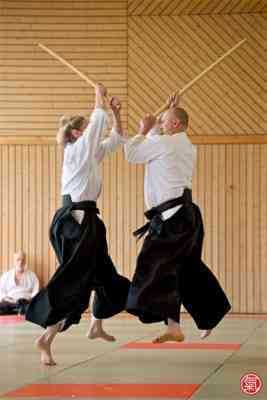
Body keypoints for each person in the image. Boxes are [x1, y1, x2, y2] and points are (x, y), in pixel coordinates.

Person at [26, 84, 130, 365]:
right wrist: (98, 98)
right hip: (74, 221)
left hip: (88, 220)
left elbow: (116, 140)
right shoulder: (76, 150)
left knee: (104, 274)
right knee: (73, 281)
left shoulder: (90, 153)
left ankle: (96, 325)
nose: (90, 133)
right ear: (75, 133)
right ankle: (46, 337)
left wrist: (116, 113)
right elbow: (97, 126)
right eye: (84, 129)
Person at [124, 94, 231, 343]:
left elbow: (132, 154)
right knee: (184, 269)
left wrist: (143, 129)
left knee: (153, 266)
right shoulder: (182, 144)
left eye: (164, 122)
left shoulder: (168, 144)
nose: (160, 125)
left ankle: (180, 323)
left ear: (174, 125)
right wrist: (167, 115)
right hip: (183, 216)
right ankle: (192, 320)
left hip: (174, 219)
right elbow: (156, 144)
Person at [0, 251, 39, 315]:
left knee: (36, 307)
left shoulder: (32, 275)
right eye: (18, 260)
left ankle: (21, 311)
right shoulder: (6, 275)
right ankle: (17, 311)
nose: (20, 262)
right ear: (14, 261)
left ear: (25, 261)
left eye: (23, 260)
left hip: (26, 303)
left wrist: (30, 299)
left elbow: (36, 291)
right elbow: (1, 291)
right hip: (10, 303)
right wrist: (7, 298)